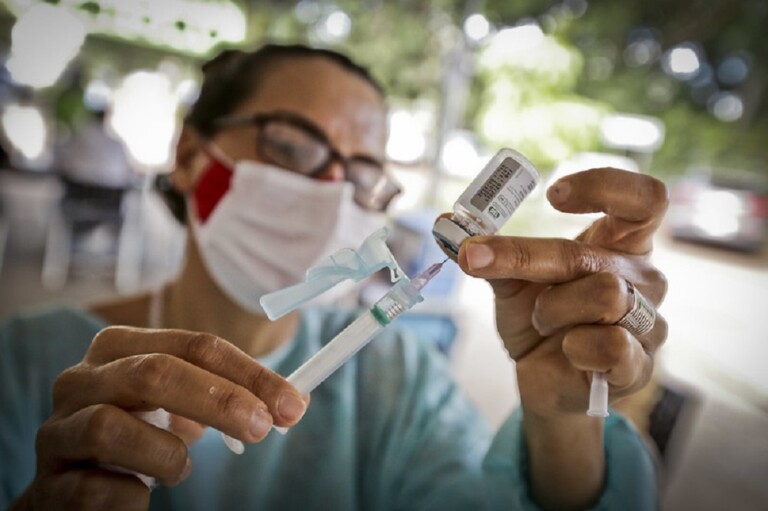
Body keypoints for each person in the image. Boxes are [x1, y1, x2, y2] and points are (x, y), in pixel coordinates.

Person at [0, 44, 669, 511]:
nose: (329, 191)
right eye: (291, 144)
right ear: (188, 156)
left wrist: (562, 420)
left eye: (360, 174)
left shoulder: (395, 378)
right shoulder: (20, 364)